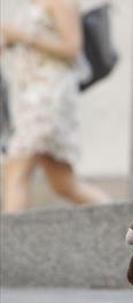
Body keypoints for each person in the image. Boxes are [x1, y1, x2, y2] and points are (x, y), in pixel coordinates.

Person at [0, 0, 109, 213]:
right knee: (64, 184)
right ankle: (119, 221)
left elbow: (72, 49)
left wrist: (22, 37)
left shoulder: (59, 2)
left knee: (16, 170)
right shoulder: (31, 5)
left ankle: (7, 242)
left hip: (48, 96)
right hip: (28, 95)